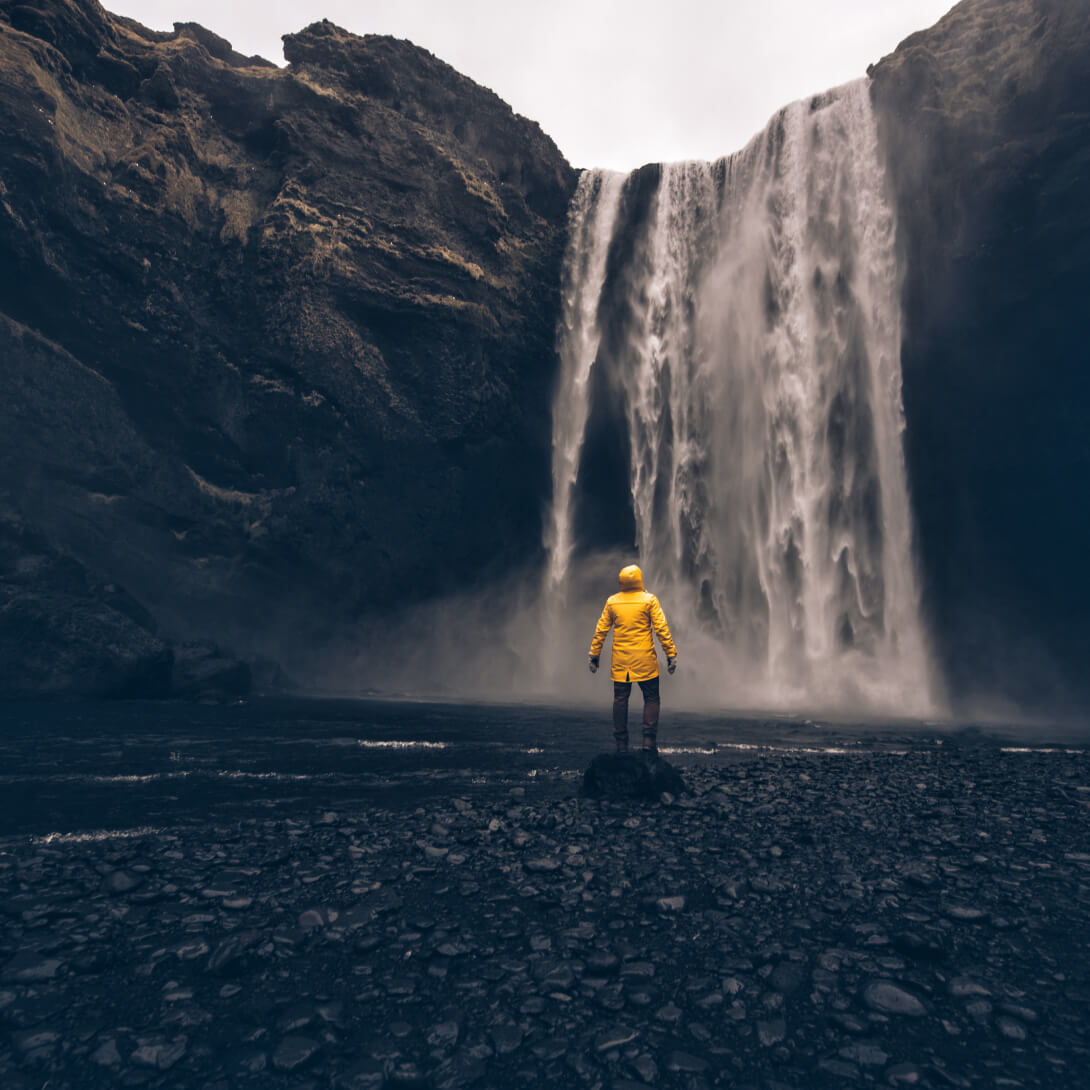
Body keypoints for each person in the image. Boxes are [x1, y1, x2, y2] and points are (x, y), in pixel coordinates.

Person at [588, 564, 677, 755]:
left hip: (621, 663)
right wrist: (671, 654)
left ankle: (621, 744)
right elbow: (661, 628)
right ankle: (648, 741)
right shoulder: (649, 600)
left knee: (620, 700)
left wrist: (594, 655)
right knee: (652, 698)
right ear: (639, 580)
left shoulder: (612, 602)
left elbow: (601, 630)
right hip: (645, 660)